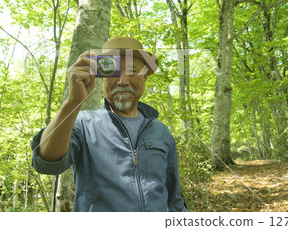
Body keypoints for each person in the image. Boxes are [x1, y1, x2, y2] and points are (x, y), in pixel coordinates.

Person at [31, 37, 188, 212]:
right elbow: (46, 163)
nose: (122, 80)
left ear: (144, 78)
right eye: (112, 72)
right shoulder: (82, 124)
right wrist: (72, 102)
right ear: (101, 80)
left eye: (132, 71)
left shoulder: (161, 132)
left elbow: (175, 200)